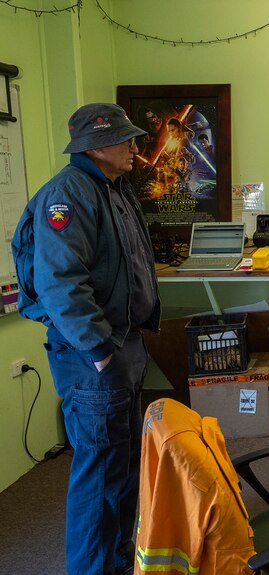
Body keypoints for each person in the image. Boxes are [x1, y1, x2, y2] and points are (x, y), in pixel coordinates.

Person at [12, 103, 161, 574]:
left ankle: (117, 564)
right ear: (98, 147)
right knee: (100, 478)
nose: (136, 149)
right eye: (127, 141)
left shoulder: (111, 188)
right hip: (94, 355)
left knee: (122, 470)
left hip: (122, 345)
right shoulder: (69, 195)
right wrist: (99, 352)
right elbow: (60, 284)